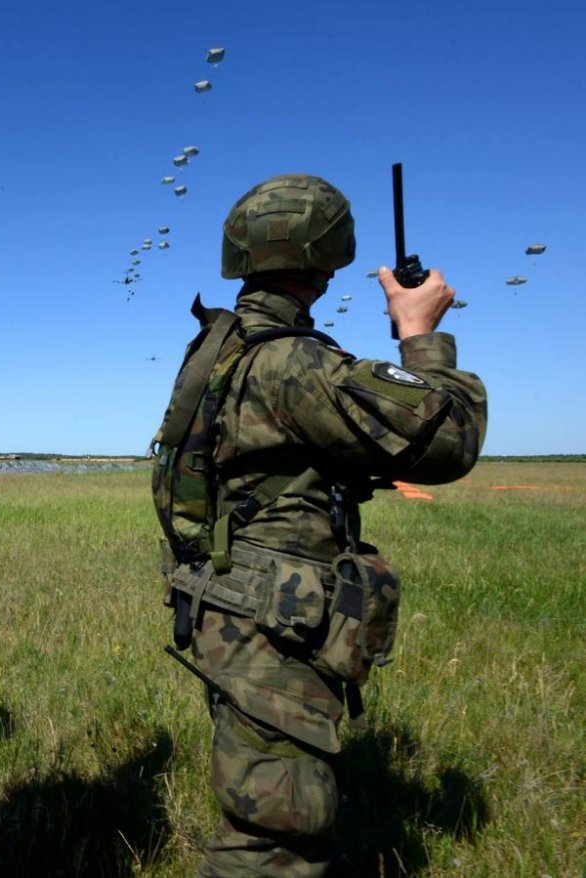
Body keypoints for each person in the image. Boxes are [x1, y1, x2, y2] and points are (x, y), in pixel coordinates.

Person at [151, 174, 486, 877]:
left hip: (235, 608)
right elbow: (448, 437)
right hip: (274, 624)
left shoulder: (225, 342)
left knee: (264, 804)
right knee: (278, 835)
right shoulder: (290, 360)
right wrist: (421, 333)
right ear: (327, 257)